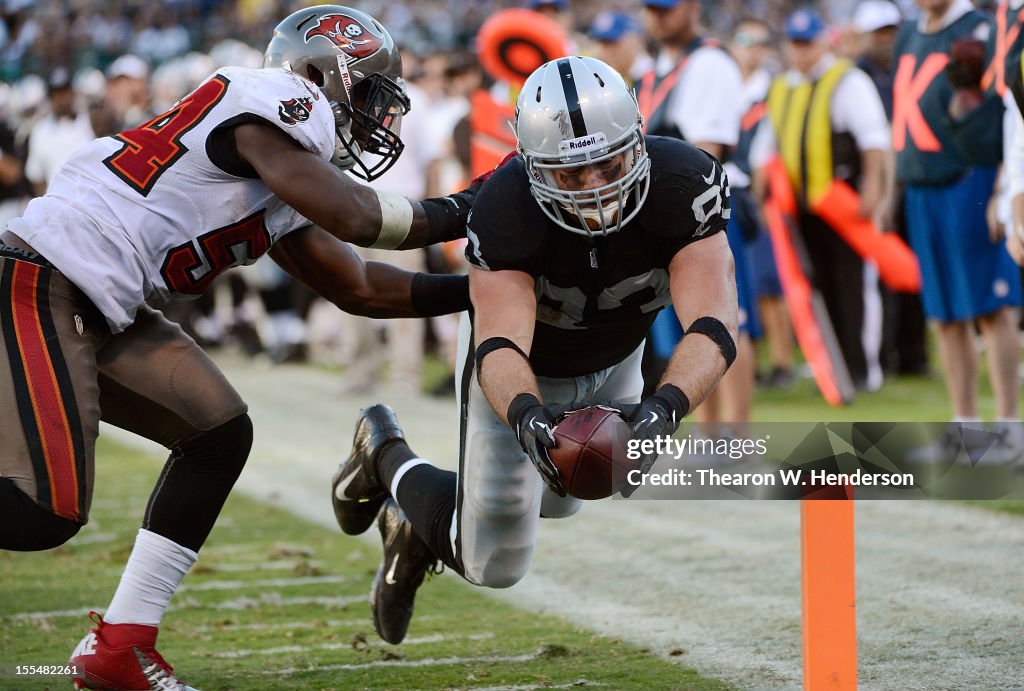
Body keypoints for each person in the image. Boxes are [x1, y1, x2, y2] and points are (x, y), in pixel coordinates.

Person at [0, 6, 479, 690]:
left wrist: (477, 294)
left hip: (96, 295)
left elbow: (361, 284)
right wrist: (468, 207)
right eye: (370, 92)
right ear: (320, 74)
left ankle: (119, 647)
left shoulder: (276, 169)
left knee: (217, 428)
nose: (379, 115)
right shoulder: (279, 104)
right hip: (42, 279)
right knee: (40, 511)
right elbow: (357, 217)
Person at [330, 56, 737, 645]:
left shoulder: (684, 184)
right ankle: (384, 454)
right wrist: (526, 417)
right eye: (571, 174)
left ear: (638, 142)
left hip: (617, 358)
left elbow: (715, 320)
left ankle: (416, 522)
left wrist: (665, 406)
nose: (595, 186)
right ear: (534, 167)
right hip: (528, 367)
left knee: (573, 490)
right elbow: (498, 343)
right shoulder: (506, 207)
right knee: (495, 562)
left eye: (607, 163)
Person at [894, 0, 1023, 463]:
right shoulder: (909, 34)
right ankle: (965, 427)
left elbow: (1009, 114)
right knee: (944, 313)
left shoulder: (984, 30)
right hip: (922, 184)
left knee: (991, 305)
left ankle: (1010, 426)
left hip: (969, 180)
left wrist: (1003, 187)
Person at [756, 9, 890, 393]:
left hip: (843, 196)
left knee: (854, 284)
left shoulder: (847, 79)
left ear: (822, 42)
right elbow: (769, 142)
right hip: (802, 206)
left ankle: (865, 368)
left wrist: (873, 191)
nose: (800, 51)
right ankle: (834, 367)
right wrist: (765, 189)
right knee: (820, 285)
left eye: (807, 43)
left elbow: (873, 139)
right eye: (794, 43)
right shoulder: (783, 85)